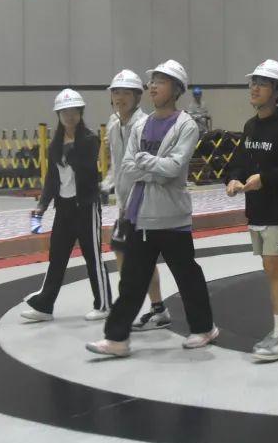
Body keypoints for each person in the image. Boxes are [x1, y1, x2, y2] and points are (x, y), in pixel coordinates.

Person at [86, 59, 217, 357]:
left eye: (161, 81)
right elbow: (128, 166)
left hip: (172, 217)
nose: (153, 86)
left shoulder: (186, 125)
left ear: (177, 89)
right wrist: (153, 167)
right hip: (139, 214)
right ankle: (117, 338)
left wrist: (147, 164)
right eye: (153, 81)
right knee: (132, 280)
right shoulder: (141, 125)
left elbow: (174, 168)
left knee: (186, 275)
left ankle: (204, 328)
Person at [225, 59, 278, 362]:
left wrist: (266, 179)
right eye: (253, 82)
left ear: (277, 91)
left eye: (263, 83)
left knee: (275, 268)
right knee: (269, 268)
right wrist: (233, 178)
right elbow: (240, 161)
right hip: (257, 209)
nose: (255, 88)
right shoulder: (251, 126)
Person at [22, 89, 112, 322]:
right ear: (59, 115)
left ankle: (103, 304)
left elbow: (85, 167)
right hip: (64, 208)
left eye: (74, 112)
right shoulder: (54, 145)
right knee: (57, 257)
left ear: (80, 113)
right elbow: (52, 178)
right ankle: (44, 306)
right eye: (64, 112)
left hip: (86, 207)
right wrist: (43, 204)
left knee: (93, 256)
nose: (69, 116)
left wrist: (66, 151)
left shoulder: (89, 140)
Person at [99, 70, 168, 330]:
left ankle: (131, 311)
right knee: (124, 252)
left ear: (138, 96)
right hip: (124, 204)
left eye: (126, 92)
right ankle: (154, 308)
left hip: (143, 203)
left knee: (136, 258)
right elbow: (117, 164)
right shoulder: (113, 124)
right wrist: (107, 184)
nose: (120, 97)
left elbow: (145, 166)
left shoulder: (145, 125)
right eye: (116, 92)